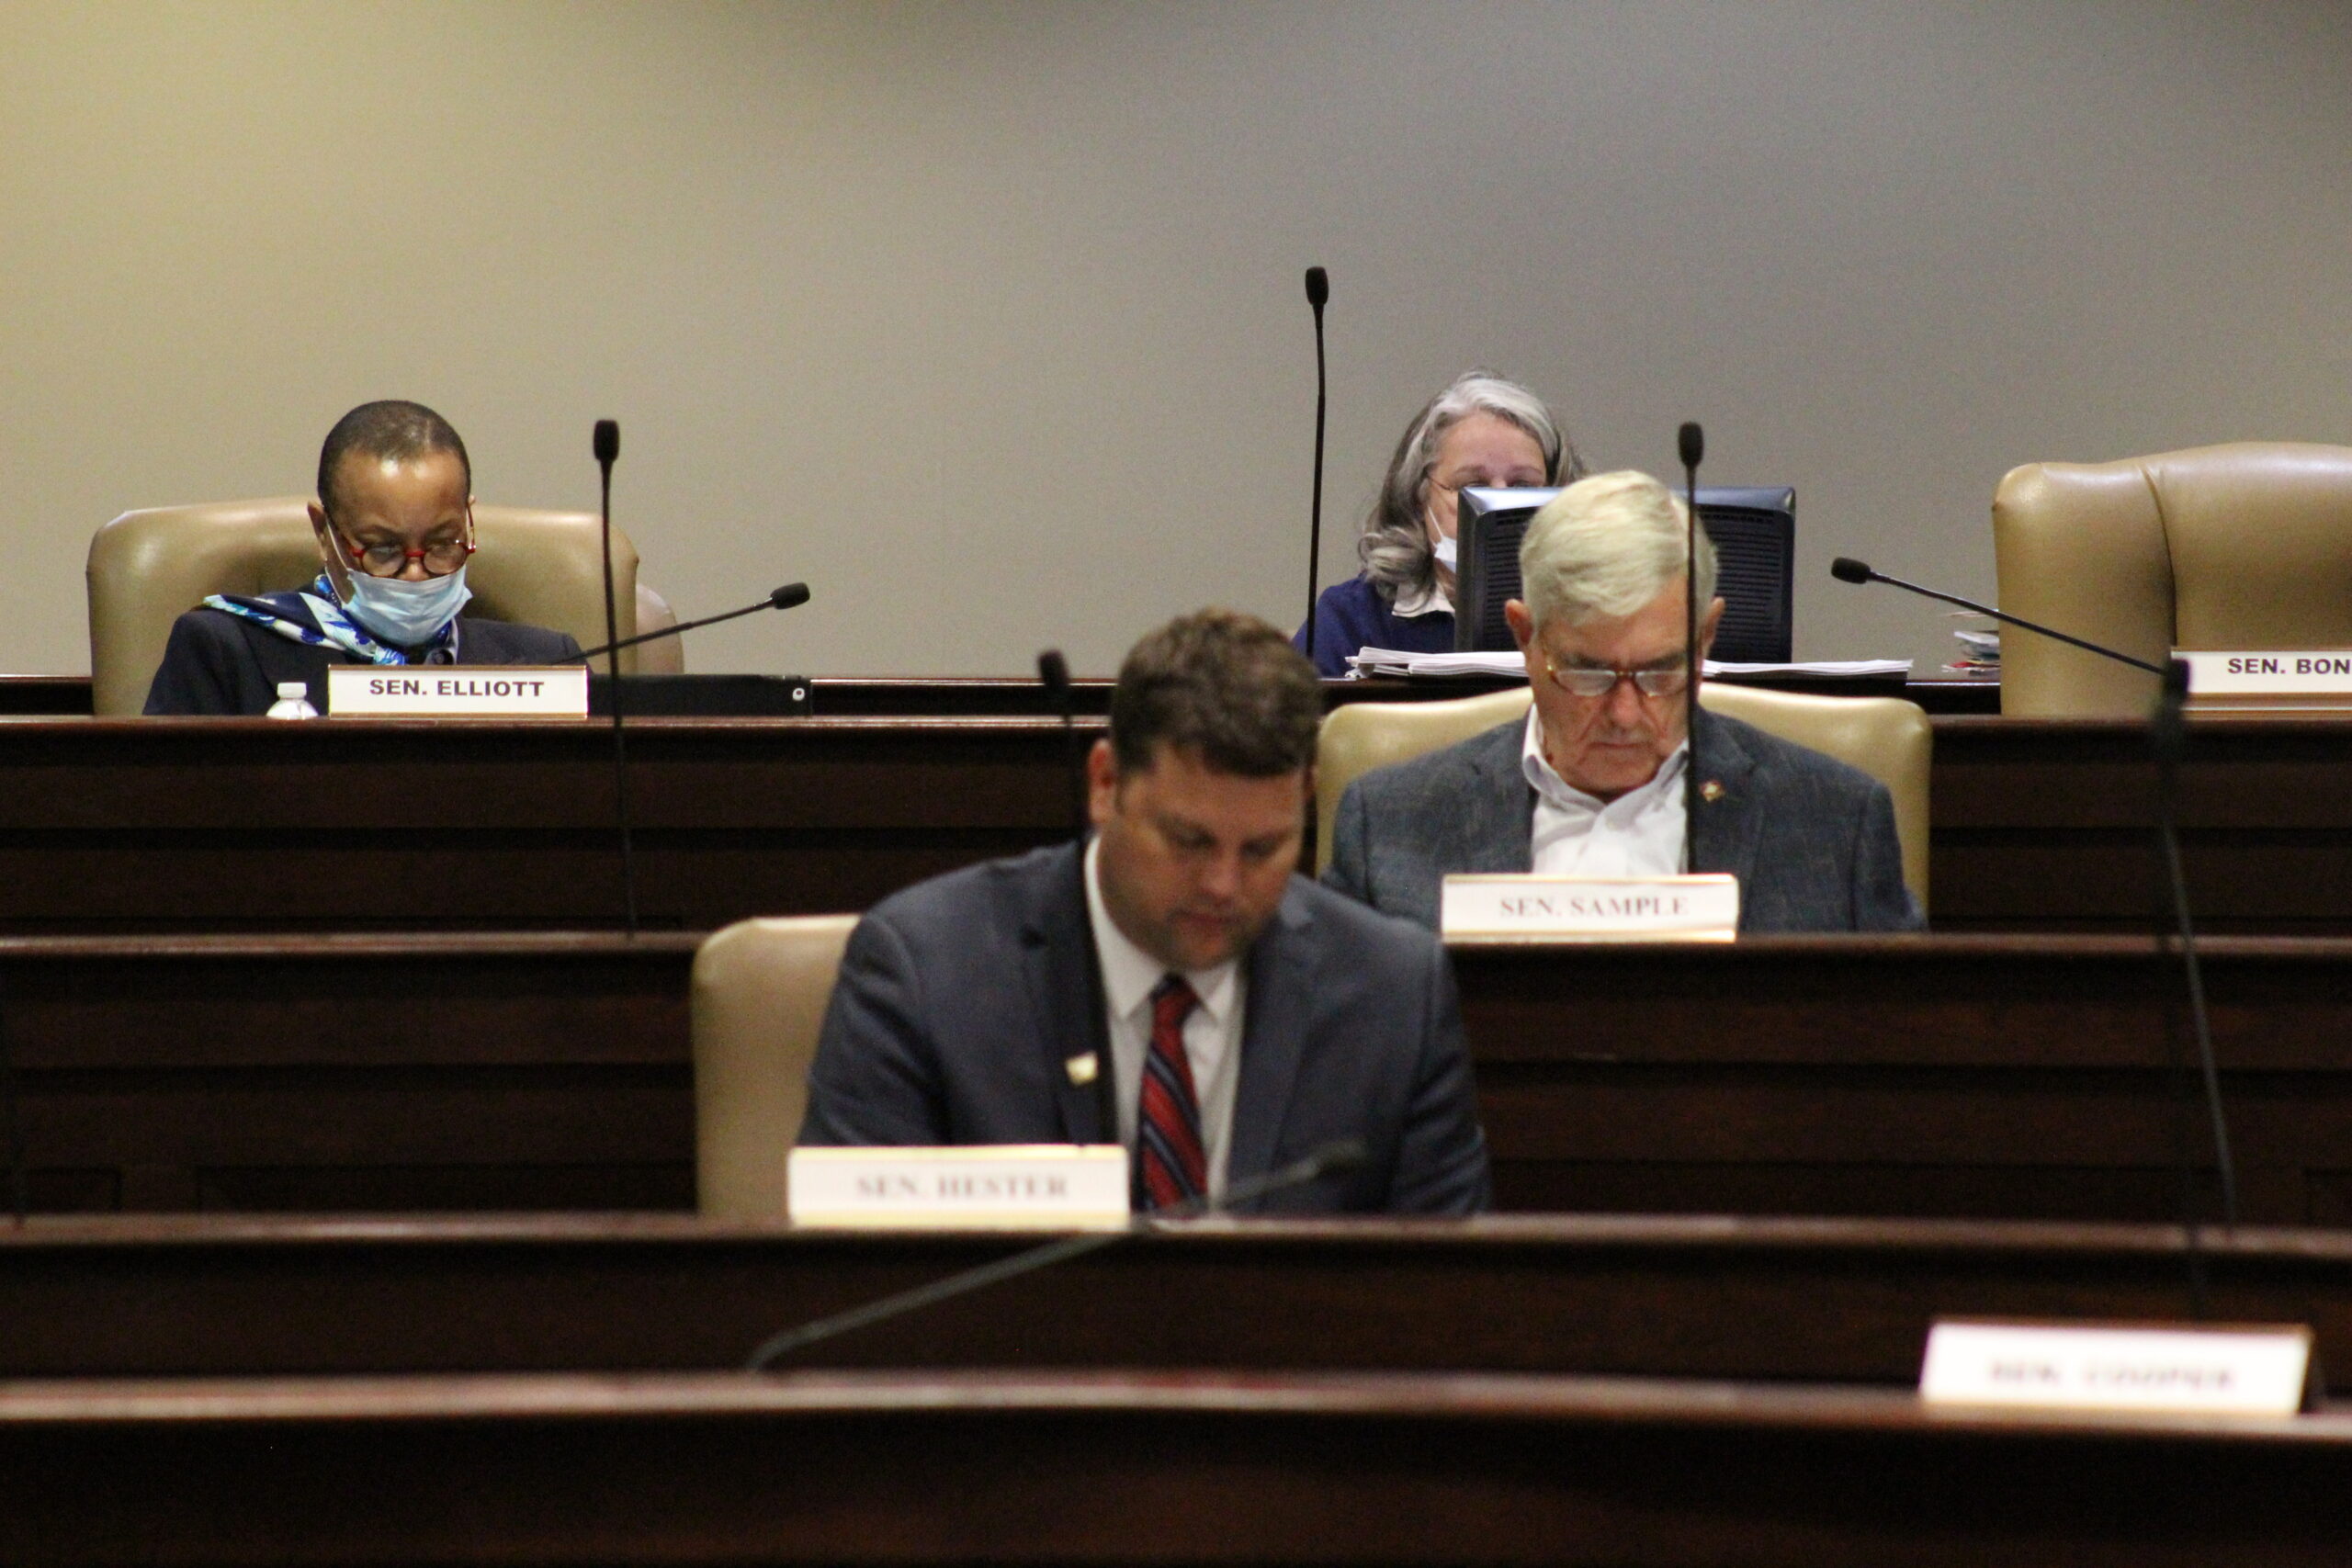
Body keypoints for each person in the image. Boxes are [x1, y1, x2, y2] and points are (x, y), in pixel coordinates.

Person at [801, 608, 1490, 1214]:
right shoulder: (925, 973)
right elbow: (858, 1283)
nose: (1223, 885)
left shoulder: (1394, 994)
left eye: (1262, 848)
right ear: (1106, 784)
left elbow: (1444, 1295)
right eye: (1188, 841)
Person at [1325, 470, 1921, 933]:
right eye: (1588, 672)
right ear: (1525, 637)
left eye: (1661, 671)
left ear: (1706, 638)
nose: (1625, 714)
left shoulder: (1835, 822)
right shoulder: (1392, 822)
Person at [143, 400, 583, 715]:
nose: (415, 574)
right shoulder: (225, 652)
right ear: (323, 531)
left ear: (468, 522)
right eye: (384, 550)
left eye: (442, 544)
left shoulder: (549, 663)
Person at [1294, 370, 1584, 678]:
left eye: (1523, 486)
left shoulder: (1589, 616)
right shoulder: (1351, 618)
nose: (1500, 506)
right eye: (1472, 485)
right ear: (1419, 496)